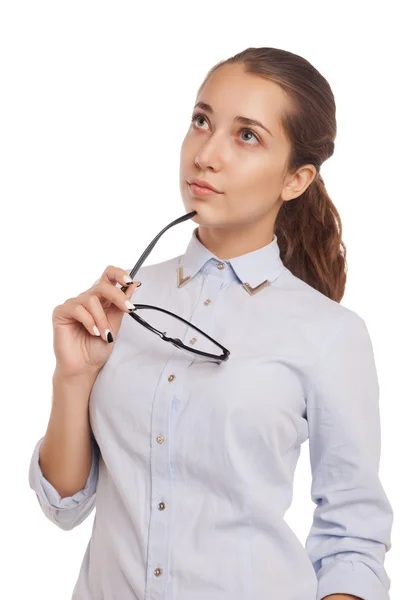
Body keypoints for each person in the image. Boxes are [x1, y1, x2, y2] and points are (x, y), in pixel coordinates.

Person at [28, 46, 393, 600]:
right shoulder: (123, 302)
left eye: (247, 136)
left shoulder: (330, 334)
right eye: (202, 121)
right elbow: (64, 504)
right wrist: (73, 378)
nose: (206, 154)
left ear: (295, 179)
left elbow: (353, 539)